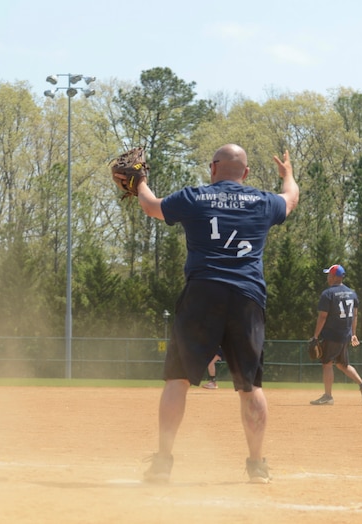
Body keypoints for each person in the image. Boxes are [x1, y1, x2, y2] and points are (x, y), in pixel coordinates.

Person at [136, 144, 298, 484]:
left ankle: (163, 462)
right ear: (247, 173)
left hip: (202, 293)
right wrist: (288, 175)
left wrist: (140, 180)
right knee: (251, 386)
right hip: (246, 296)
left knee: (178, 379)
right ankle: (257, 467)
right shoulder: (264, 201)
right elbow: (291, 198)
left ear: (212, 168)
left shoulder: (195, 197)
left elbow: (151, 207)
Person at [309, 264, 362, 406]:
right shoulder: (352, 293)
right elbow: (355, 315)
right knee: (343, 364)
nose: (327, 277)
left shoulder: (328, 294)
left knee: (327, 363)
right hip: (345, 335)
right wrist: (353, 333)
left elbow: (323, 317)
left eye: (329, 274)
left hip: (331, 334)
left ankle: (328, 396)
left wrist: (316, 336)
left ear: (334, 277)